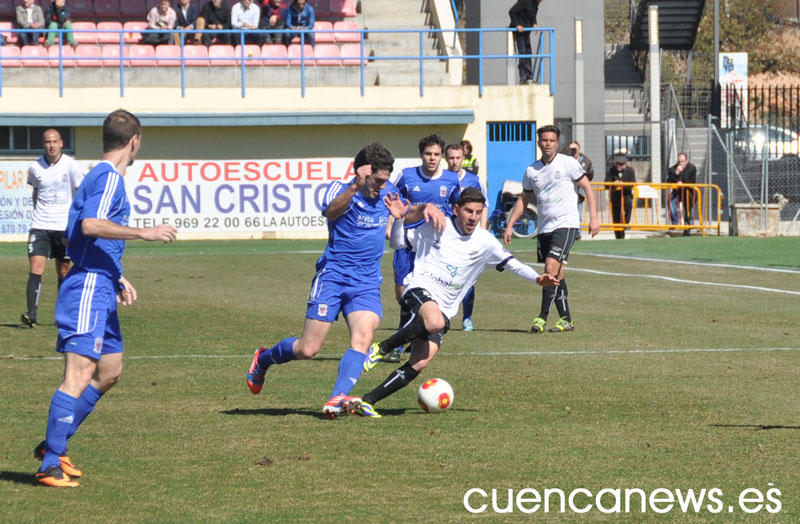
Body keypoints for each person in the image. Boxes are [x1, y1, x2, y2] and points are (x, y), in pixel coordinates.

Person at [246, 143, 444, 419]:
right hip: (333, 277)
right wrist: (354, 187)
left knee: (363, 337)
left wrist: (424, 208)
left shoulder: (387, 190)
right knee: (308, 349)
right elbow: (330, 212)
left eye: (385, 181)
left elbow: (404, 211)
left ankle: (337, 397)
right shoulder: (339, 189)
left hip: (366, 282)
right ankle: (264, 358)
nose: (382, 186)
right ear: (362, 173)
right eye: (377, 181)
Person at [34, 110, 178, 487]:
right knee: (79, 374)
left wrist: (114, 272)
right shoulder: (110, 177)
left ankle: (54, 444)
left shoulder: (98, 176)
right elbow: (89, 225)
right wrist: (144, 232)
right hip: (87, 288)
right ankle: (50, 461)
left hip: (100, 282)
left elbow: (76, 235)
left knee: (110, 370)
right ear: (134, 141)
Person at [345, 188, 559, 418]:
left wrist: (537, 278)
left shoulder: (485, 241)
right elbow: (397, 244)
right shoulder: (437, 226)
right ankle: (382, 348)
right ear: (457, 209)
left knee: (421, 361)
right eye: (468, 211)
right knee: (434, 321)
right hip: (420, 288)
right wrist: (398, 220)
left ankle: (368, 401)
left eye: (478, 212)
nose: (473, 217)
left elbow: (513, 264)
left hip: (446, 308)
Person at [504, 125, 599, 334]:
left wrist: (593, 217)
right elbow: (524, 199)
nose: (548, 144)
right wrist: (510, 225)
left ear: (557, 143)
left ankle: (541, 318)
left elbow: (587, 187)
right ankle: (566, 320)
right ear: (539, 143)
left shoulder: (568, 163)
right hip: (544, 228)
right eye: (544, 140)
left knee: (549, 268)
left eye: (552, 140)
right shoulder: (532, 170)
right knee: (557, 273)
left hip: (566, 224)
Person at [386, 134, 460, 362]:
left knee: (427, 292)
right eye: (428, 154)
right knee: (402, 295)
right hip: (407, 244)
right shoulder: (407, 176)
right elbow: (394, 203)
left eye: (437, 154)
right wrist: (390, 225)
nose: (432, 158)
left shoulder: (451, 179)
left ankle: (400, 344)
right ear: (421, 155)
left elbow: (457, 209)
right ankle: (414, 334)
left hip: (435, 248)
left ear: (441, 156)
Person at [21, 129, 85, 329]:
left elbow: (80, 193)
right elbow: (36, 192)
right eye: (48, 142)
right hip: (40, 225)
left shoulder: (71, 165)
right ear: (43, 144)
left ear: (61, 143)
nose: (51, 145)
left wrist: (76, 220)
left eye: (55, 141)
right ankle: (31, 314)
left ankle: (63, 315)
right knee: (36, 266)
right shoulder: (35, 167)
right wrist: (38, 214)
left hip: (63, 226)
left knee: (63, 270)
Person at [445, 143, 487, 332]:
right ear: (446, 159)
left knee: (468, 278)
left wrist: (482, 229)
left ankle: (467, 318)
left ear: (463, 158)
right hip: (448, 235)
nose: (455, 161)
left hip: (469, 236)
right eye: (451, 158)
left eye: (458, 158)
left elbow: (484, 205)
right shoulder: (442, 179)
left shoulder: (473, 180)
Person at [566, 141, 594, 240]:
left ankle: (577, 233)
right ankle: (569, 233)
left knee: (578, 214)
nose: (573, 151)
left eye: (575, 149)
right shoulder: (566, 159)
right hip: (567, 193)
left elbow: (590, 174)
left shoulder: (585, 161)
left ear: (579, 149)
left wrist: (583, 182)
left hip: (579, 194)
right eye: (571, 149)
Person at [508, 0, 541, 85]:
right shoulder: (525, 1)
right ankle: (523, 78)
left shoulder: (535, 5)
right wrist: (517, 25)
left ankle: (529, 77)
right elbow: (512, 11)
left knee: (528, 52)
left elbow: (533, 16)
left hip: (526, 31)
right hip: (519, 32)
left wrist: (534, 23)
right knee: (522, 53)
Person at [605, 153, 636, 239]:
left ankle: (626, 222)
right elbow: (606, 184)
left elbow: (632, 184)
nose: (618, 166)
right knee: (616, 216)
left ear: (625, 164)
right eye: (617, 164)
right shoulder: (611, 170)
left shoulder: (630, 171)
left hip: (626, 194)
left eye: (621, 164)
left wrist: (623, 184)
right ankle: (619, 236)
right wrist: (613, 184)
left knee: (628, 203)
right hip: (615, 195)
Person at [666, 152, 697, 236]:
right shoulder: (672, 169)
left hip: (689, 192)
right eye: (679, 161)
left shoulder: (692, 168)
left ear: (686, 161)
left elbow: (692, 181)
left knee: (688, 208)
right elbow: (669, 181)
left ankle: (687, 228)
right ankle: (674, 222)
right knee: (671, 200)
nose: (681, 163)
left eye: (683, 161)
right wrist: (676, 173)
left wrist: (683, 183)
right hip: (678, 192)